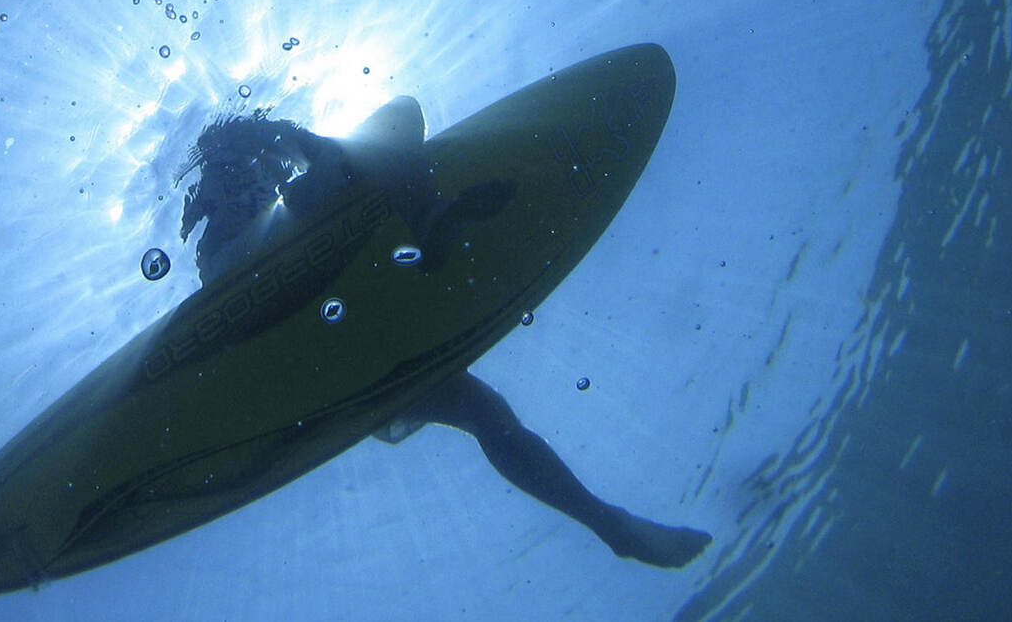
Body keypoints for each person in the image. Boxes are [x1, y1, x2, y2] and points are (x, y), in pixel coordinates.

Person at [174, 102, 712, 569]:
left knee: (484, 411)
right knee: (387, 127)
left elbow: (317, 154)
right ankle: (429, 221)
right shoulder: (227, 168)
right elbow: (298, 166)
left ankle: (608, 524)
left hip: (339, 326)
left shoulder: (251, 170)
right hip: (265, 296)